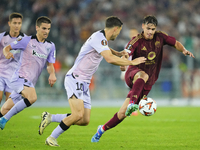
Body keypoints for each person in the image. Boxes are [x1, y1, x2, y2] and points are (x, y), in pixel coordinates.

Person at [38, 16, 146, 147]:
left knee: (84, 120)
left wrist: (118, 53)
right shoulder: (98, 38)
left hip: (84, 83)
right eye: (119, 31)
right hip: (75, 78)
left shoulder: (101, 39)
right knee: (77, 114)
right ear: (115, 29)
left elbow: (106, 50)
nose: (118, 34)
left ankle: (50, 117)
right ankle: (52, 138)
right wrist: (132, 62)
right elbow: (109, 59)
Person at [91, 15, 195, 142]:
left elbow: (175, 43)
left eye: (152, 29)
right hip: (133, 73)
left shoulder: (160, 37)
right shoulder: (136, 41)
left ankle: (101, 129)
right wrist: (123, 65)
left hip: (148, 81)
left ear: (155, 29)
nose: (150, 31)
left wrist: (183, 50)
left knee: (122, 114)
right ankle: (132, 104)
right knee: (143, 75)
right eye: (148, 28)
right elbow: (126, 54)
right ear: (143, 27)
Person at [0, 16, 57, 130]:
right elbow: (7, 48)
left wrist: (52, 74)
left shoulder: (50, 46)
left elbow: (50, 65)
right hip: (19, 78)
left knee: (4, 109)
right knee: (32, 97)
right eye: (44, 28)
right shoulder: (27, 40)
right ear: (37, 28)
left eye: (48, 29)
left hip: (29, 83)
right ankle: (4, 119)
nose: (46, 31)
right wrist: (6, 53)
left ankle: (2, 117)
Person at [0, 12, 26, 104]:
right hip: (1, 72)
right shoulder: (2, 37)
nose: (17, 26)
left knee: (8, 104)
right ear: (9, 23)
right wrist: (6, 53)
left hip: (13, 76)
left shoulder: (25, 39)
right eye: (14, 23)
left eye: (19, 23)